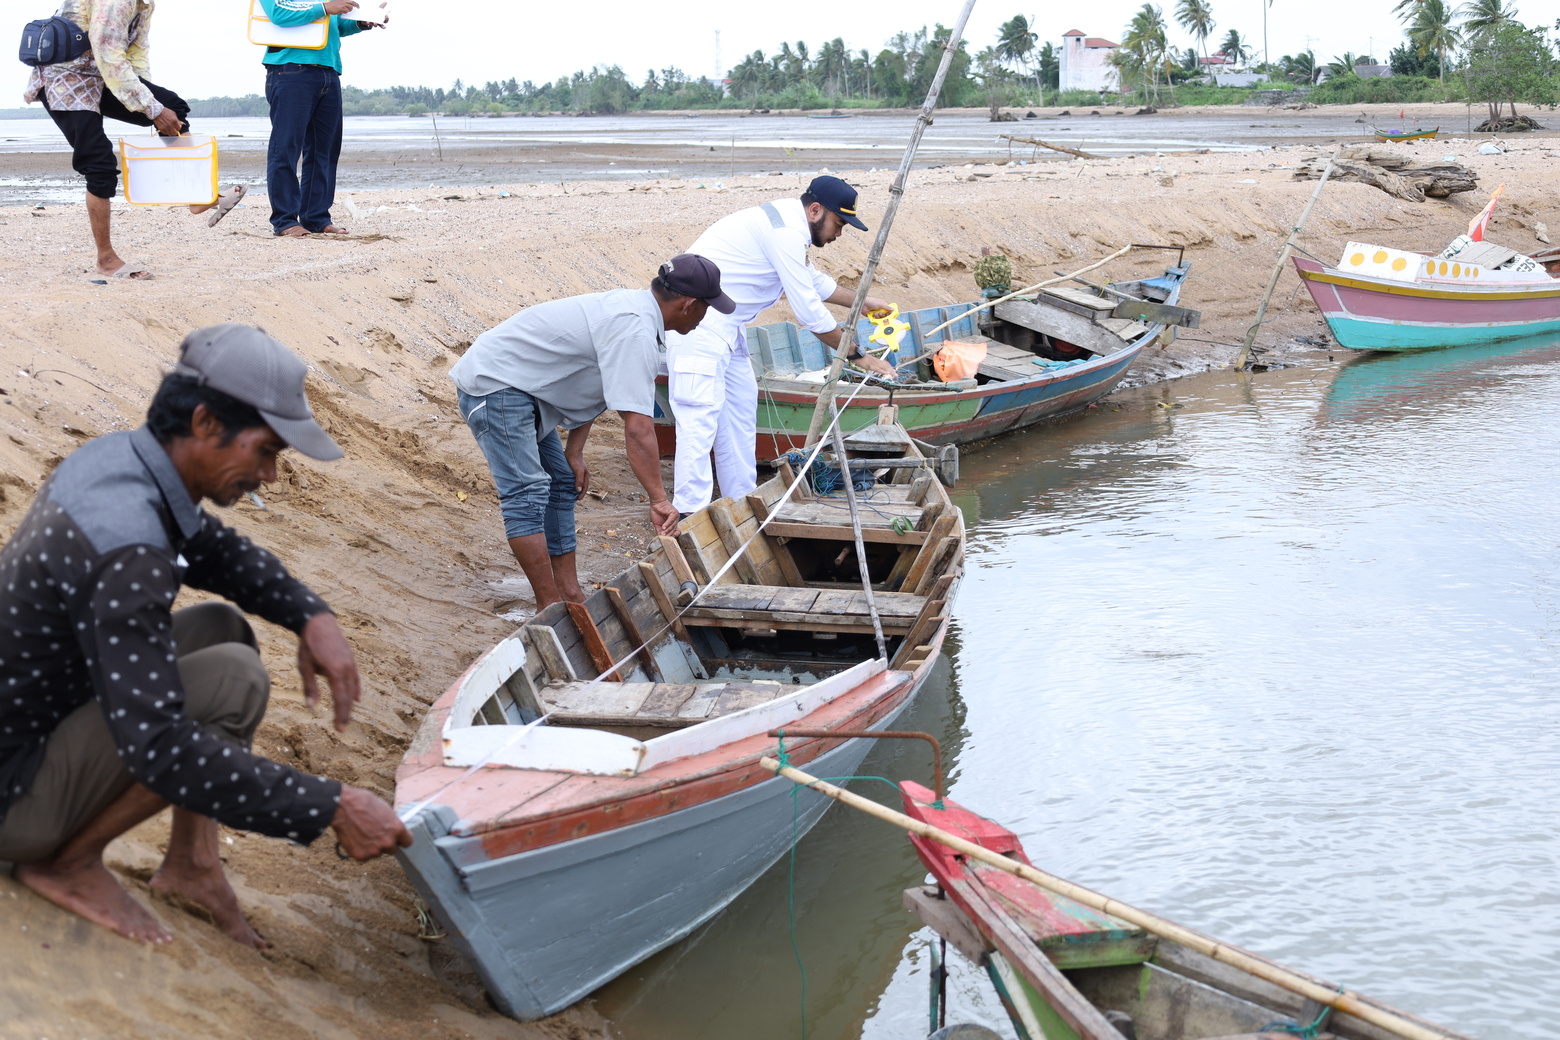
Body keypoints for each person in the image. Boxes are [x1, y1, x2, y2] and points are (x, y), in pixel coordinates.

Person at [0, 324, 411, 947]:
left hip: (37, 717)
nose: (271, 475)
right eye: (266, 451)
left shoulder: (123, 460)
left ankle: (193, 864)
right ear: (203, 423)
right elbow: (158, 745)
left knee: (223, 627)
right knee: (234, 679)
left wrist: (310, 615)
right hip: (15, 794)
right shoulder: (129, 549)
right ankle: (64, 861)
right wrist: (330, 804)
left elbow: (216, 551)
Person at [450, 255, 734, 609]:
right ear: (689, 304)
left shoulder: (637, 312)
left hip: (526, 389)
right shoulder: (636, 329)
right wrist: (659, 499)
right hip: (496, 385)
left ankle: (570, 594)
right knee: (527, 492)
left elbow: (596, 378)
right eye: (708, 307)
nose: (708, 315)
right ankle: (549, 606)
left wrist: (575, 451)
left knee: (560, 480)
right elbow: (639, 430)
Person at [665, 175, 898, 515]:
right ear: (816, 210)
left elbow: (811, 280)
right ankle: (689, 513)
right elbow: (809, 312)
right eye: (839, 223)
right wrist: (859, 357)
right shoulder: (786, 232)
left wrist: (861, 302)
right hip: (697, 325)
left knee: (740, 414)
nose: (838, 234)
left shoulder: (789, 224)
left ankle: (741, 503)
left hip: (727, 328)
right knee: (699, 418)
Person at [22, 0, 244, 280]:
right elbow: (108, 55)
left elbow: (135, 52)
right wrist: (151, 109)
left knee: (174, 109)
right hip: (66, 78)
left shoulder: (145, 2)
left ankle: (198, 196)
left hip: (101, 75)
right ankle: (106, 260)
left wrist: (152, 103)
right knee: (99, 165)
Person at [258, 0, 385, 237]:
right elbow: (278, 14)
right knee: (285, 147)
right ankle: (285, 221)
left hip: (328, 71)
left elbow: (334, 26)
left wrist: (361, 22)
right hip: (290, 70)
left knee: (324, 151)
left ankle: (316, 217)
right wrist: (326, 8)